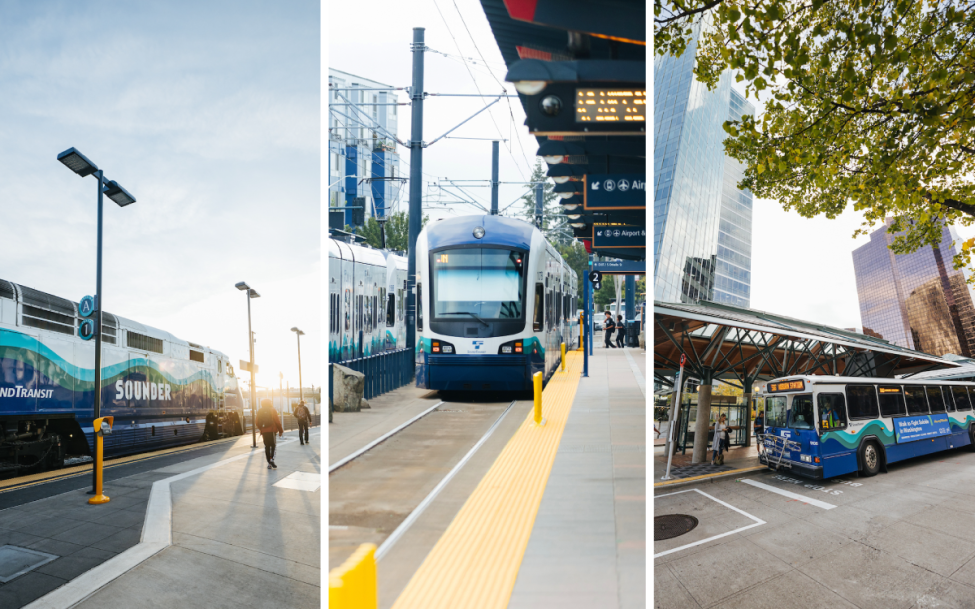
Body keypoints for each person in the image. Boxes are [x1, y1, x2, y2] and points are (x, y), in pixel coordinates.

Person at [256, 398, 284, 469]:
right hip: (272, 431)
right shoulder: (272, 409)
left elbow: (257, 422)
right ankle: (271, 460)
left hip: (264, 431)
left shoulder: (260, 410)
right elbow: (277, 421)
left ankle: (269, 462)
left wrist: (261, 428)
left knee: (267, 446)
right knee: (273, 446)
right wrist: (281, 431)